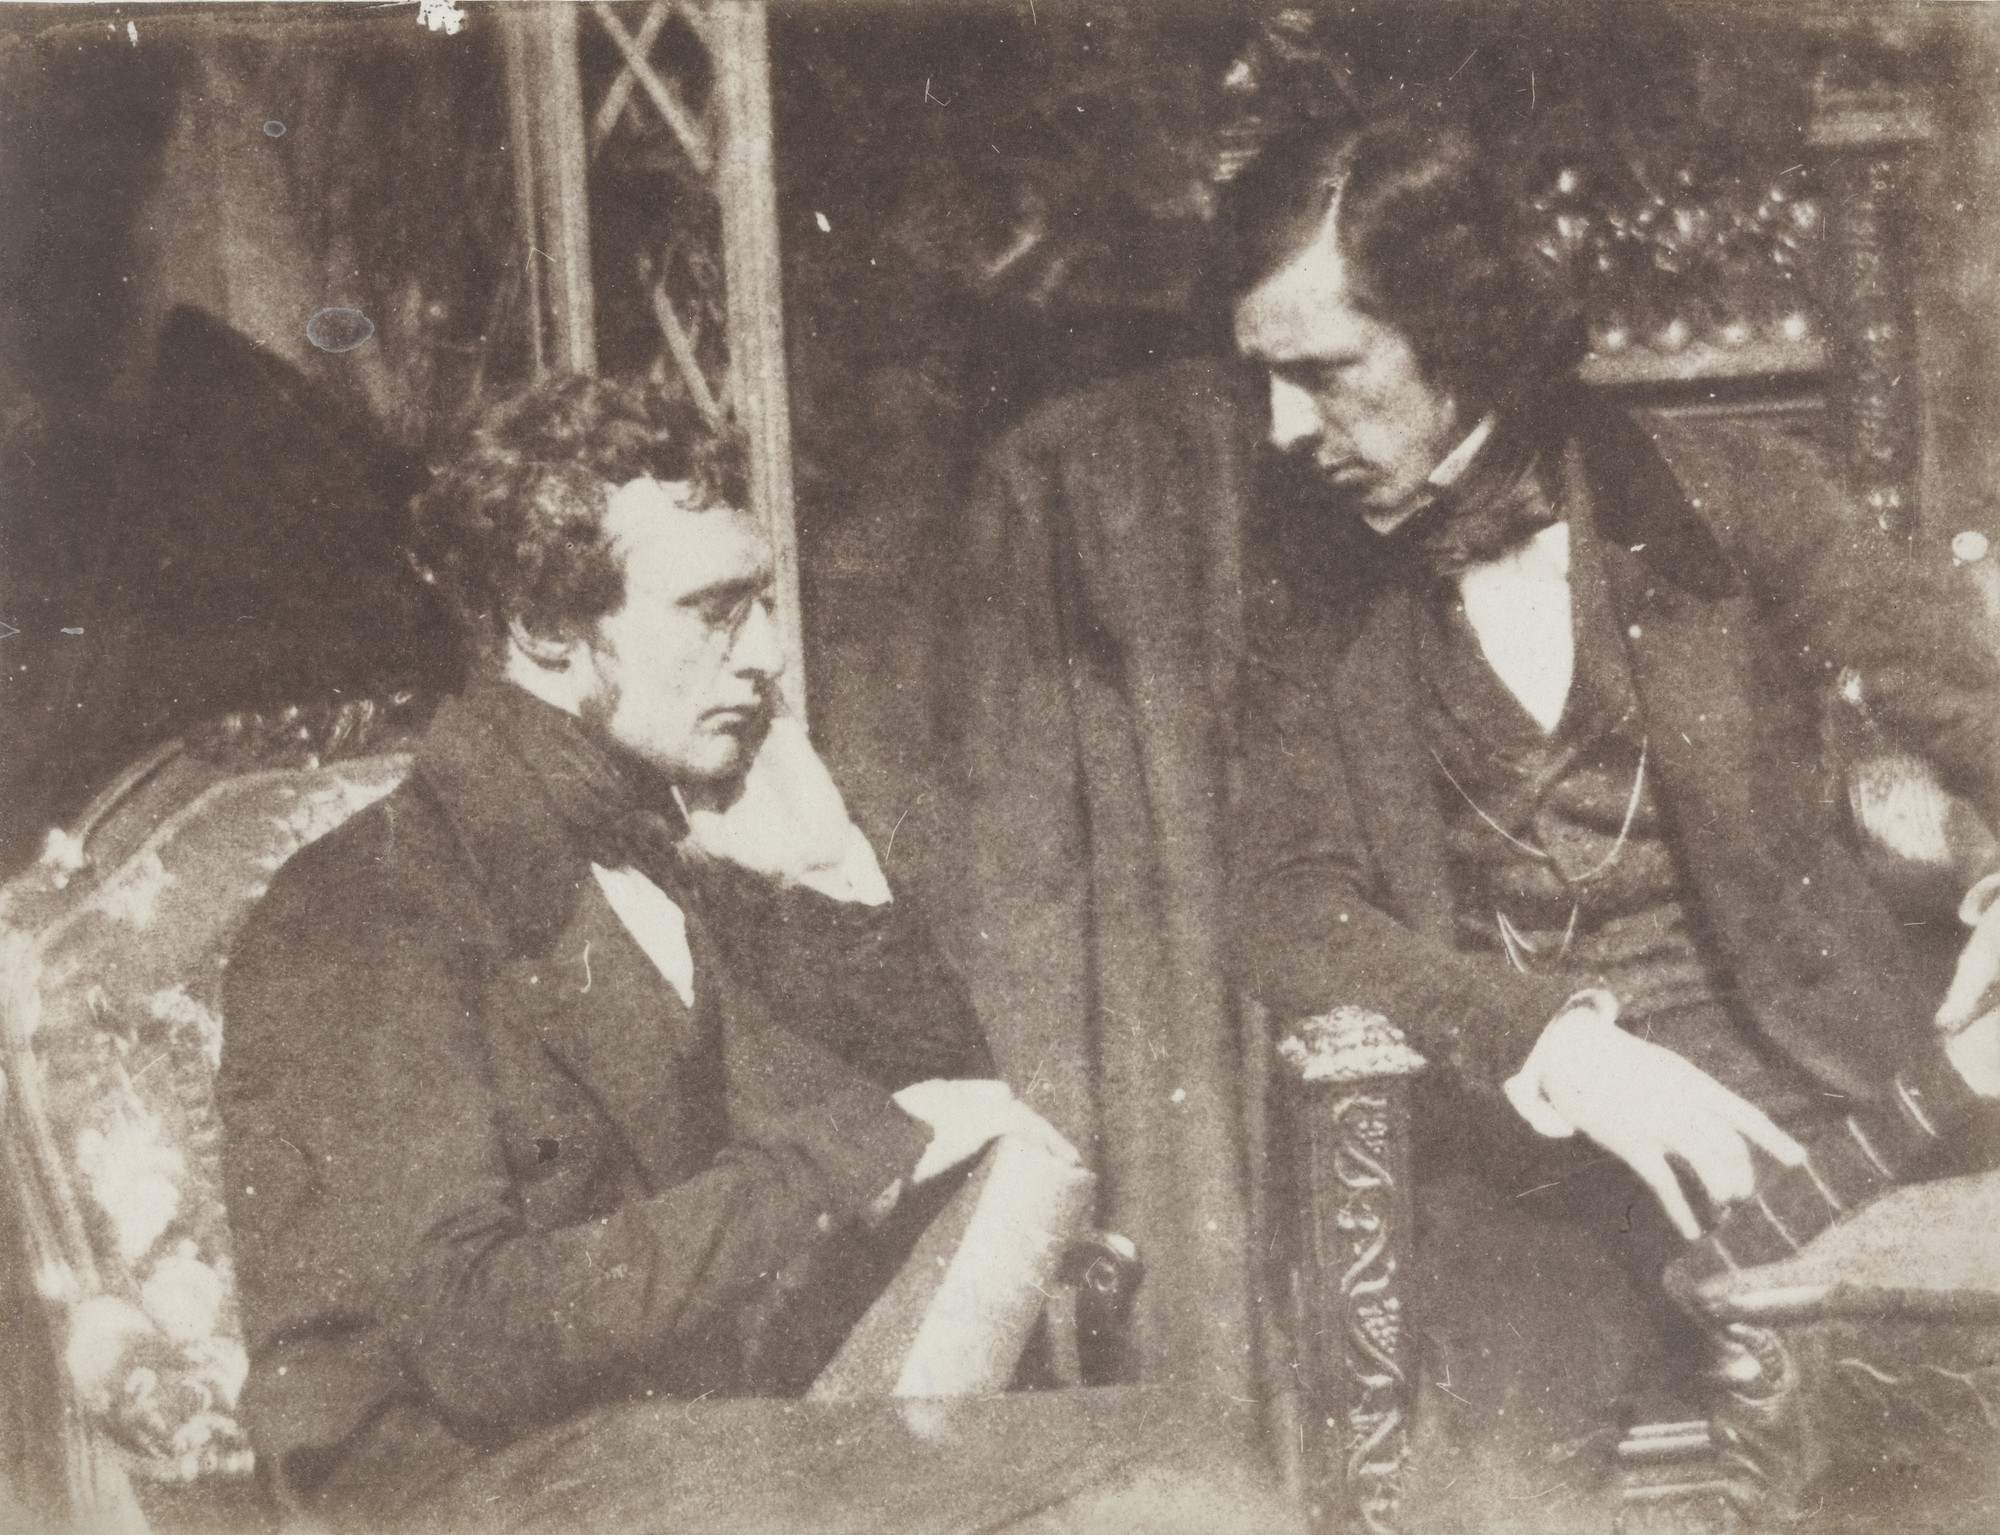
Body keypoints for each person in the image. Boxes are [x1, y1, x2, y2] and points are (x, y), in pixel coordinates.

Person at [1226, 111, 2000, 1412]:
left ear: (1461, 331)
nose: (1282, 427)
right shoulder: (1307, 571)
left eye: (1324, 370)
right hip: (1525, 1153)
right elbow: (1284, 904)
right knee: (1500, 1453)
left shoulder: (1728, 493)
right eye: (1262, 377)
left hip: (1815, 1095)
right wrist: (1553, 1043)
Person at [216, 376, 1072, 1526]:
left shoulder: (682, 849)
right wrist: (831, 1164)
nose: (765, 652)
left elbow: (938, 1110)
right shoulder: (361, 904)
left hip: (680, 1466)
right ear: (543, 626)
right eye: (713, 610)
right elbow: (476, 1333)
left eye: (760, 602)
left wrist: (835, 876)